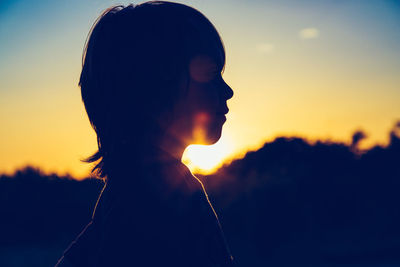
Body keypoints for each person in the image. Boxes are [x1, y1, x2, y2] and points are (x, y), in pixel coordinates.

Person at [55, 1, 234, 266]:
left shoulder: (133, 190)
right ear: (154, 91)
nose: (228, 91)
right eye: (209, 75)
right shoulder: (152, 201)